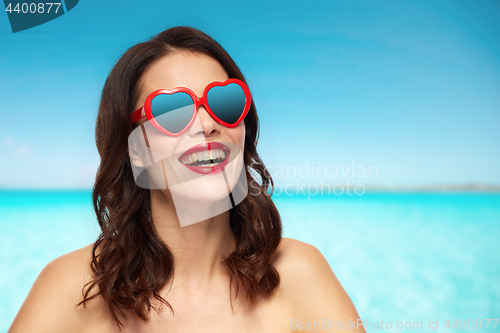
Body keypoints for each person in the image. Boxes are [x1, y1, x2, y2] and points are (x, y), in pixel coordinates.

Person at [8, 26, 366, 332]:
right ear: (136, 149)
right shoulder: (70, 287)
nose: (207, 124)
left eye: (223, 103)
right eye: (171, 111)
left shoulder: (301, 274)